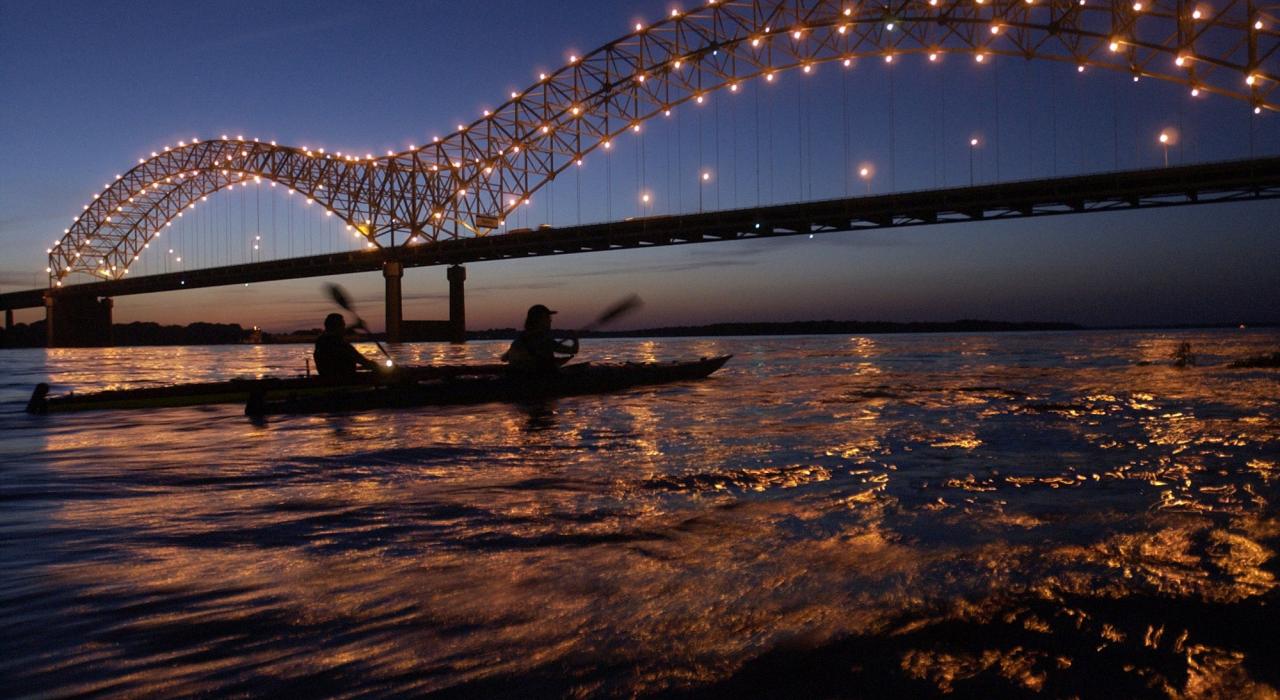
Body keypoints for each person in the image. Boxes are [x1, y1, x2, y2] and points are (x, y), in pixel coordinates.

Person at [502, 304, 579, 374]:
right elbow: (574, 350)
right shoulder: (544, 340)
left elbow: (504, 358)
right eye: (548, 317)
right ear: (540, 320)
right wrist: (574, 338)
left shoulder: (521, 338)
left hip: (520, 377)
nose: (550, 320)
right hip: (536, 380)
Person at [313, 312, 379, 378]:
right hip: (342, 380)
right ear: (338, 327)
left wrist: (355, 326)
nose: (344, 328)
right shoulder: (339, 344)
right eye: (343, 325)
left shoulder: (321, 341)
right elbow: (361, 360)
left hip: (327, 378)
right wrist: (376, 366)